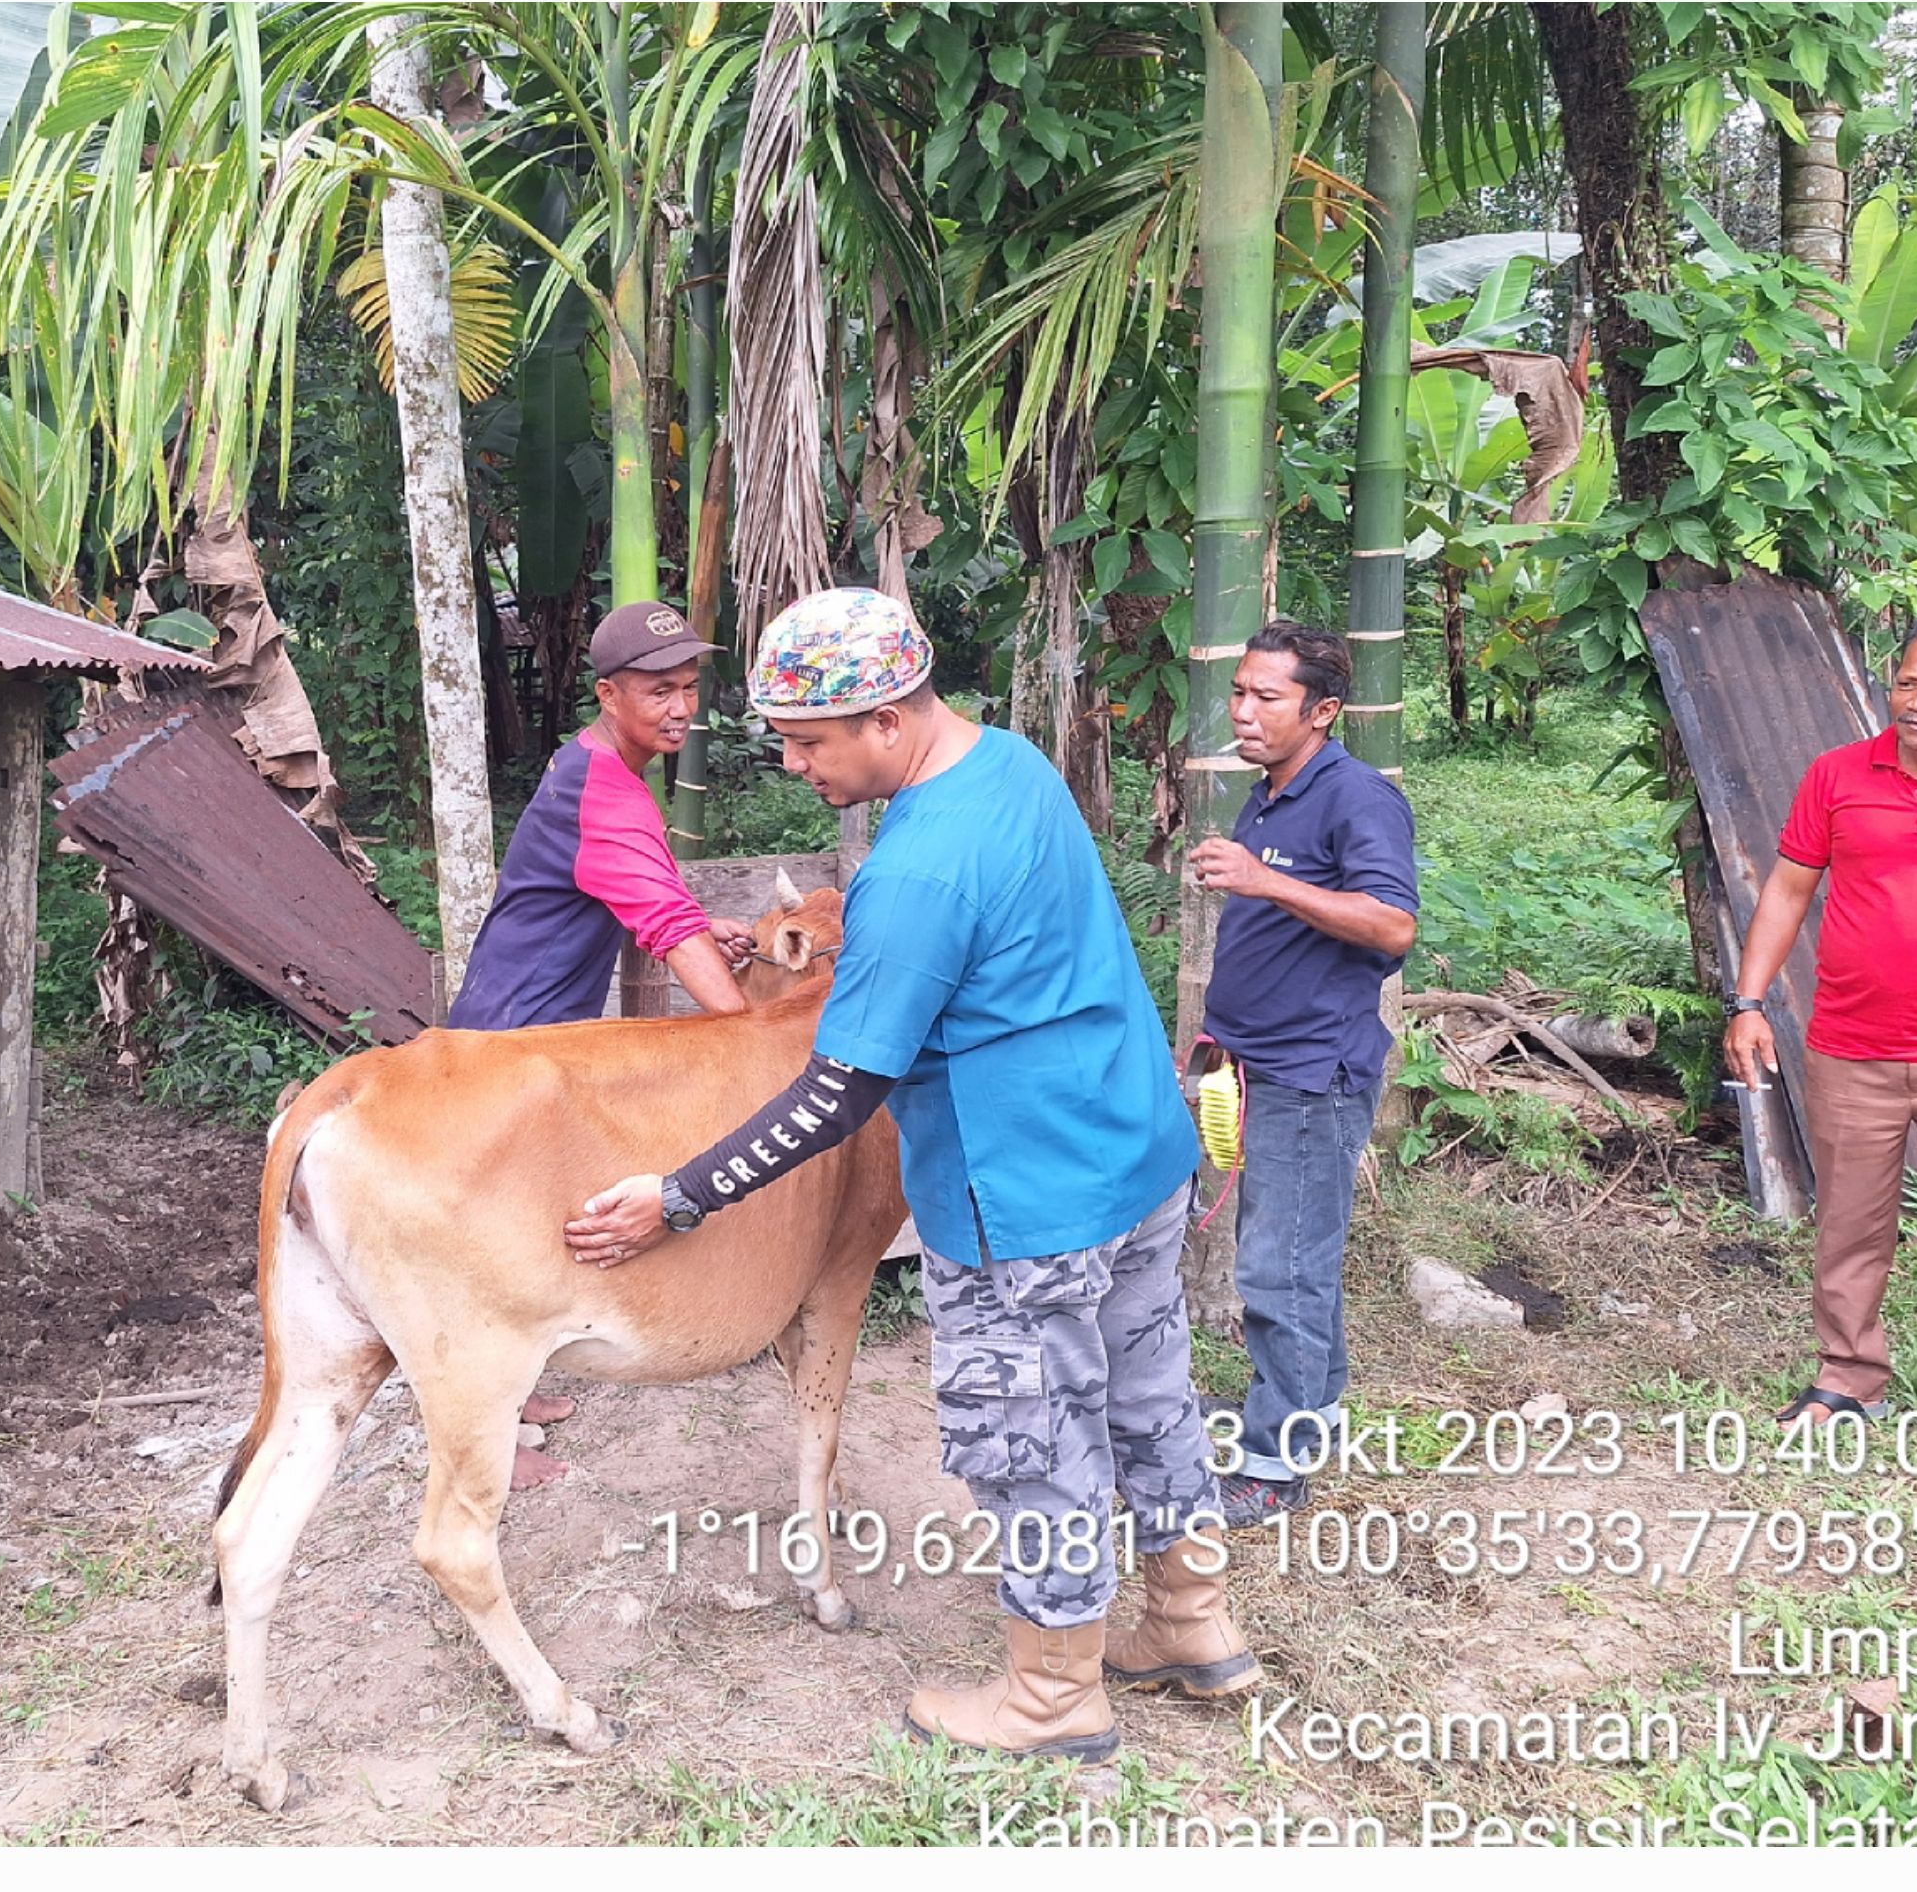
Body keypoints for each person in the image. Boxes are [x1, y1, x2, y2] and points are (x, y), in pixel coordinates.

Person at [566, 589, 1257, 1761]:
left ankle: (1051, 1697)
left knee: (1028, 1434)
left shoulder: (917, 871)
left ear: (887, 719)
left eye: (809, 740)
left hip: (1023, 1200)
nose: (793, 764)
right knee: (1149, 1400)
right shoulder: (1016, 768)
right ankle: (1193, 1623)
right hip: (1137, 1157)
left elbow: (838, 1093)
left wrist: (678, 1195)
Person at [448, 597, 759, 1485]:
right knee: (487, 1244)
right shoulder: (607, 792)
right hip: (510, 1044)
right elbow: (660, 920)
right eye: (659, 690)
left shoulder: (592, 768)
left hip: (529, 1030)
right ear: (609, 694)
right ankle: (484, 1440)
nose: (680, 708)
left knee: (525, 1225)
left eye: (690, 687)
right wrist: (744, 1038)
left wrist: (709, 925)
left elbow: (643, 897)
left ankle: (512, 1386)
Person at [1723, 614, 1917, 1479]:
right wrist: (1749, 1001)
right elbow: (1786, 891)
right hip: (1849, 1049)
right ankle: (1847, 1379)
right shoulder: (1840, 775)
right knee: (1849, 1228)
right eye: (1909, 682)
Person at [1191, 623, 1420, 1527]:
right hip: (1255, 1061)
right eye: (1240, 692)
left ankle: (1274, 1468)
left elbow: (1391, 926)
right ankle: (1302, 1419)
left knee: (1281, 1271)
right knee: (1289, 1259)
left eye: (1266, 698)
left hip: (1310, 1072)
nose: (1242, 712)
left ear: (1322, 711)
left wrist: (1264, 880)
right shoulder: (1275, 792)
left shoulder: (1356, 799)